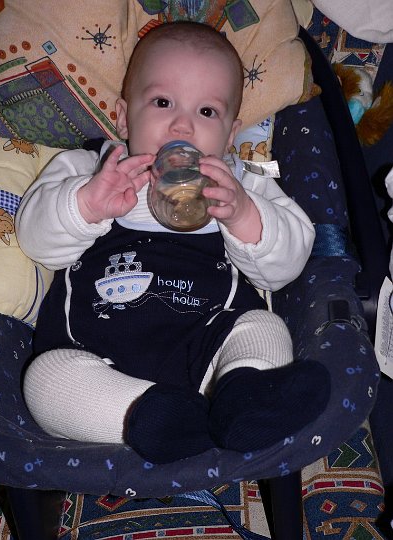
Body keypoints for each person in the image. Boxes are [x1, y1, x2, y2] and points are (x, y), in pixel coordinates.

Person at [16, 21, 330, 464]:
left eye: (207, 112)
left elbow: (285, 268)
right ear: (124, 116)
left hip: (210, 358)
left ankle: (247, 398)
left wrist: (243, 215)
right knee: (45, 381)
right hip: (97, 356)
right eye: (163, 102)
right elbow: (35, 240)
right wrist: (86, 204)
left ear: (230, 135)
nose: (183, 124)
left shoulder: (243, 184)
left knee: (263, 327)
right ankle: (153, 419)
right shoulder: (90, 168)